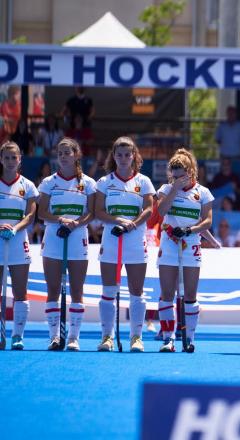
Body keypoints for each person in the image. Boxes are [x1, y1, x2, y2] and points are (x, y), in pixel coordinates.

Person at [94, 137, 155, 352]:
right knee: (108, 290)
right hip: (111, 240)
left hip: (135, 241)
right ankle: (106, 337)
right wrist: (117, 221)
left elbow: (149, 209)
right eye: (119, 155)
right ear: (113, 156)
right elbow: (98, 211)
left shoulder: (144, 181)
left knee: (136, 291)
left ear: (134, 156)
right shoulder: (104, 182)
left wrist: (132, 225)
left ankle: (136, 337)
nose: (123, 159)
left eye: (127, 154)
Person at [37, 137, 96, 351]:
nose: (62, 157)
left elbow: (92, 213)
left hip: (78, 238)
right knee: (53, 289)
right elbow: (42, 213)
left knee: (77, 290)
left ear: (76, 155)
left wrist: (75, 224)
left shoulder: (88, 183)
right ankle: (54, 337)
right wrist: (61, 220)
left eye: (67, 153)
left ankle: (73, 337)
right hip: (54, 238)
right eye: (60, 153)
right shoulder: (48, 182)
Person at [156, 149, 214, 352]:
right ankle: (168, 338)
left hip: (191, 246)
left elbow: (207, 221)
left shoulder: (203, 192)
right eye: (175, 175)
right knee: (167, 293)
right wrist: (174, 189)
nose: (179, 179)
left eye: (182, 175)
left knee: (190, 294)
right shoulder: (166, 188)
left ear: (191, 172)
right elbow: (161, 211)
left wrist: (190, 230)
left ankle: (189, 338)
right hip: (169, 245)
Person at [0, 142, 38, 349]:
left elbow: (31, 215)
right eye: (6, 157)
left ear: (20, 159)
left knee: (20, 291)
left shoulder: (28, 185)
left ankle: (17, 335)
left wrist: (14, 229)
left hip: (18, 242)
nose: (10, 161)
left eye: (14, 157)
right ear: (1, 160)